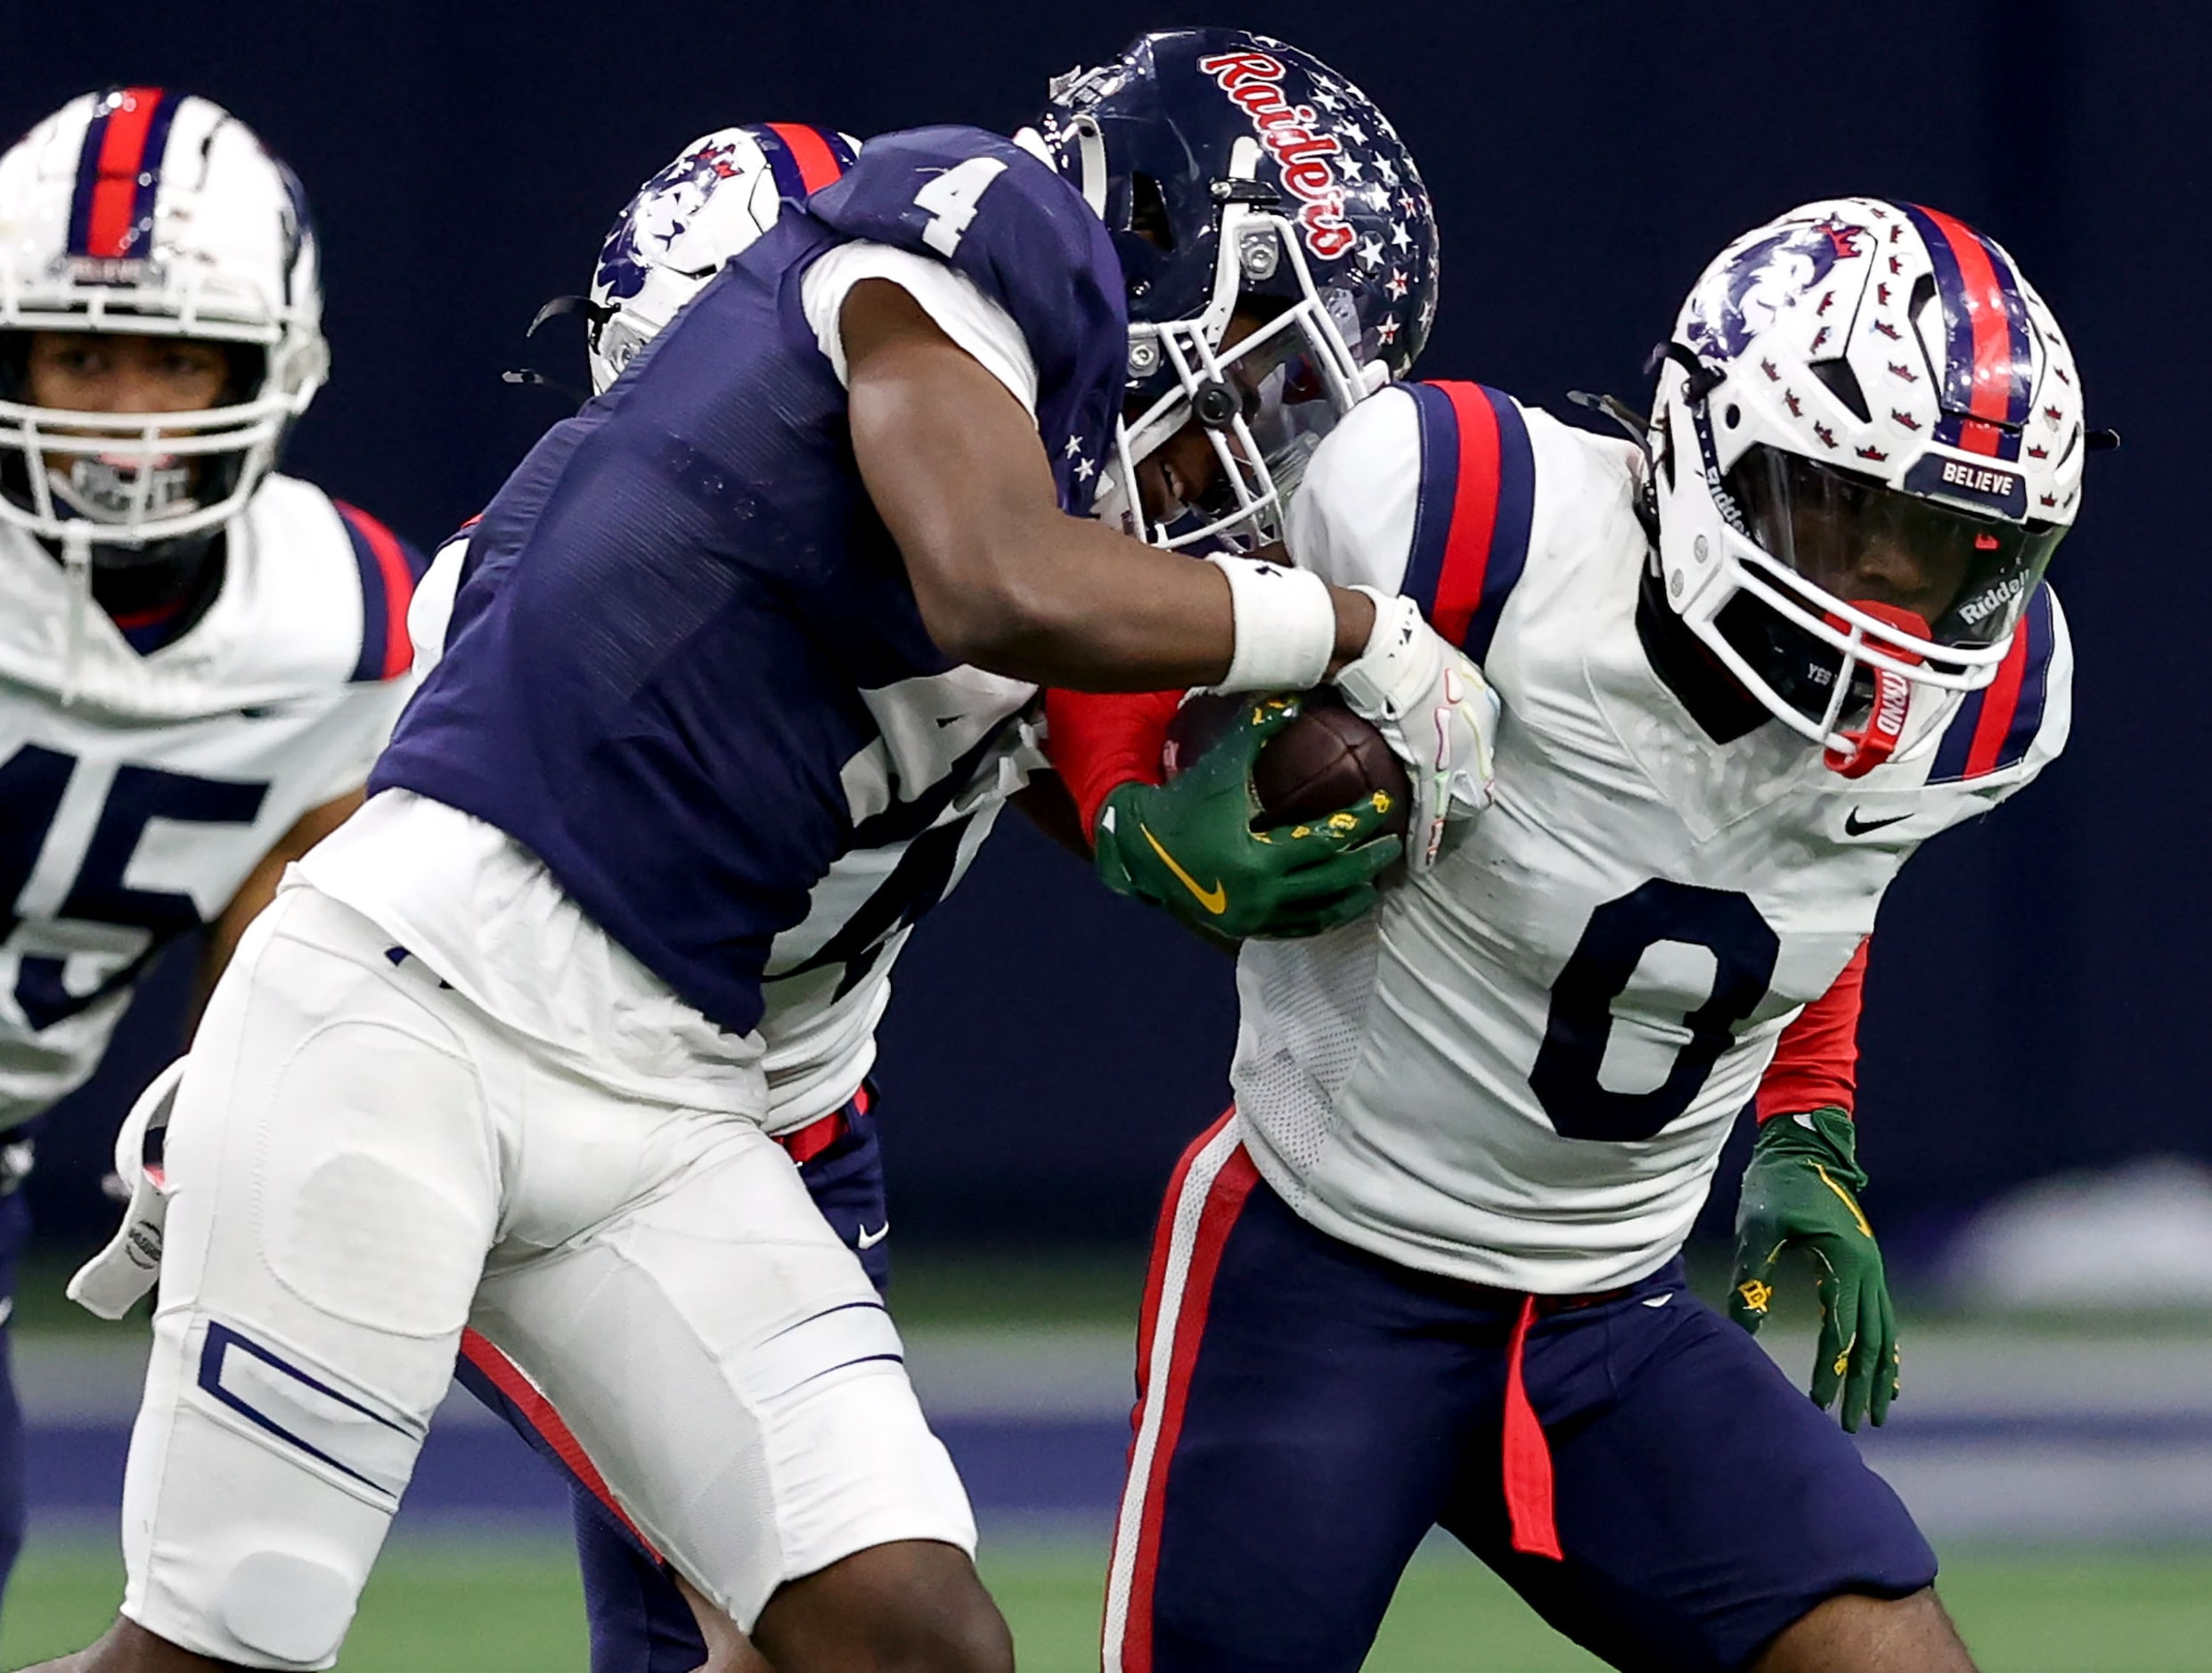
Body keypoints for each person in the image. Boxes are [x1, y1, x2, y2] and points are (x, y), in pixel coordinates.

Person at [32, 30, 1482, 1673]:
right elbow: (996, 584)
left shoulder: (1052, 493)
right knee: (215, 1657)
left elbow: (1084, 719)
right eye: (1288, 371)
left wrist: (1211, 811)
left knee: (915, 1639)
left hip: (681, 1098)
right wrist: (1346, 624)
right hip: (422, 1026)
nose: (1277, 438)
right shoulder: (972, 221)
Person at [1047, 198, 2102, 1672]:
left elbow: (1815, 865)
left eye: (1942, 544)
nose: (1888, 598)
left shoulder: (1991, 703)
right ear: (1706, 440)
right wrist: (1125, 802)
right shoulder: (1471, 509)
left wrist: (1807, 1114)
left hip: (1612, 1321)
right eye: (1845, 513)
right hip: (1322, 1269)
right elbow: (1124, 572)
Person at [0, 86, 423, 1620]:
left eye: (171, 355)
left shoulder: (351, 628)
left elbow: (278, 962)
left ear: (269, 360)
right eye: (79, 352)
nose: (119, 414)